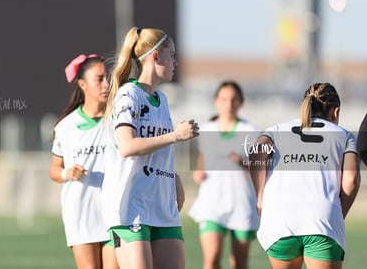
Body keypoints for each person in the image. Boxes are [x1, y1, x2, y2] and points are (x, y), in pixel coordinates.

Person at [101, 27, 199, 269]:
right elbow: (127, 146)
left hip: (162, 205)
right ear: (155, 56)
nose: (176, 62)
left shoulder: (162, 100)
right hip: (131, 206)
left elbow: (157, 148)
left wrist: (172, 176)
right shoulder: (128, 95)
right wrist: (176, 136)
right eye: (172, 55)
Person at [249, 82, 361, 269]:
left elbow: (255, 154)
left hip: (279, 220)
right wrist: (339, 214)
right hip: (322, 221)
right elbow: (351, 180)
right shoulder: (344, 136)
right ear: (335, 111)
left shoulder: (275, 130)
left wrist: (260, 198)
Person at [49, 54, 118, 269]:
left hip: (114, 211)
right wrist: (66, 173)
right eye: (99, 79)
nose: (106, 84)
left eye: (108, 78)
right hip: (81, 213)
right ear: (82, 84)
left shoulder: (119, 119)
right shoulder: (65, 127)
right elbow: (54, 169)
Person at [189, 80, 260, 269]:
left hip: (241, 203)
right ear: (216, 102)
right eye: (224, 99)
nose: (229, 104)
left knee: (239, 262)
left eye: (234, 100)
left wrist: (242, 162)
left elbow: (260, 167)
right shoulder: (206, 129)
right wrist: (199, 170)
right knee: (211, 258)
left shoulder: (250, 131)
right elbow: (203, 156)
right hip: (212, 202)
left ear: (241, 102)